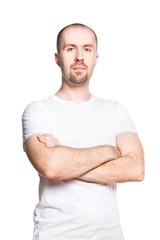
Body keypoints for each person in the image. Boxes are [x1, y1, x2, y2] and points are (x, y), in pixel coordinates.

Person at [22, 23, 144, 240]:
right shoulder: (39, 111)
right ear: (58, 58)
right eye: (70, 49)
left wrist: (64, 160)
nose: (79, 56)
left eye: (86, 49)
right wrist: (110, 151)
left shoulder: (116, 111)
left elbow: (136, 170)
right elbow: (50, 166)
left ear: (96, 57)